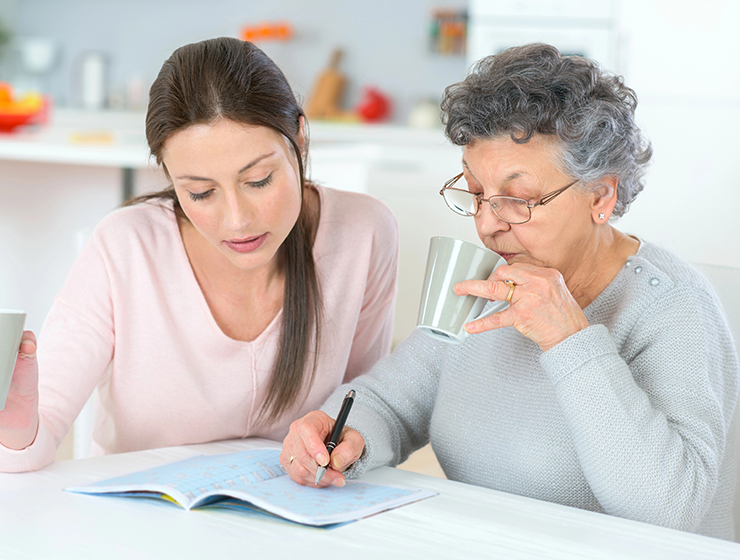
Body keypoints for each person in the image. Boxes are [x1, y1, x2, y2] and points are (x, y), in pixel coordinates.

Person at [281, 43, 740, 540]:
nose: (487, 225)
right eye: (477, 194)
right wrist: (341, 435)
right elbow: (390, 403)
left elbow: (669, 509)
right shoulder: (490, 278)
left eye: (518, 200)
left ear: (601, 196)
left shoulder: (674, 307)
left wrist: (570, 340)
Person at [0, 37, 399, 472]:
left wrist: (341, 447)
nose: (237, 220)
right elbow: (16, 451)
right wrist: (14, 419)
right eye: (201, 192)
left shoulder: (363, 232)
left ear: (300, 133)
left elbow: (364, 411)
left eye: (258, 181)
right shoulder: (126, 247)